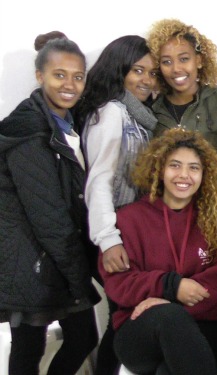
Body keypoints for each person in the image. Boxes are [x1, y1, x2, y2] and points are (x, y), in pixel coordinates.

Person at [101, 129, 217, 374]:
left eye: (194, 168)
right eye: (175, 165)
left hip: (205, 325)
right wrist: (171, 286)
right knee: (168, 318)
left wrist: (167, 301)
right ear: (159, 170)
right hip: (142, 330)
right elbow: (119, 283)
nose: (184, 175)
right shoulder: (128, 219)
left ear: (204, 174)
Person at [0, 35, 100, 375]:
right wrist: (79, 279)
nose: (70, 84)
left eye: (78, 76)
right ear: (39, 76)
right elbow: (49, 216)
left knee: (80, 337)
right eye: (59, 75)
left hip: (48, 255)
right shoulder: (30, 132)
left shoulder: (63, 123)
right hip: (30, 260)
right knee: (30, 349)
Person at [75, 34, 159, 375]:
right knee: (122, 321)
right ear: (119, 70)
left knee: (125, 319)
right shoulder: (111, 113)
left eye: (152, 73)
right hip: (115, 237)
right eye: (137, 70)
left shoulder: (137, 116)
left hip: (134, 235)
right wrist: (109, 239)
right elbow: (99, 180)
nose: (147, 80)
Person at [147, 18, 217, 203]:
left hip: (215, 216)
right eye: (166, 62)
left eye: (184, 59)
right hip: (167, 217)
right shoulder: (152, 110)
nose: (176, 69)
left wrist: (212, 207)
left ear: (198, 60)